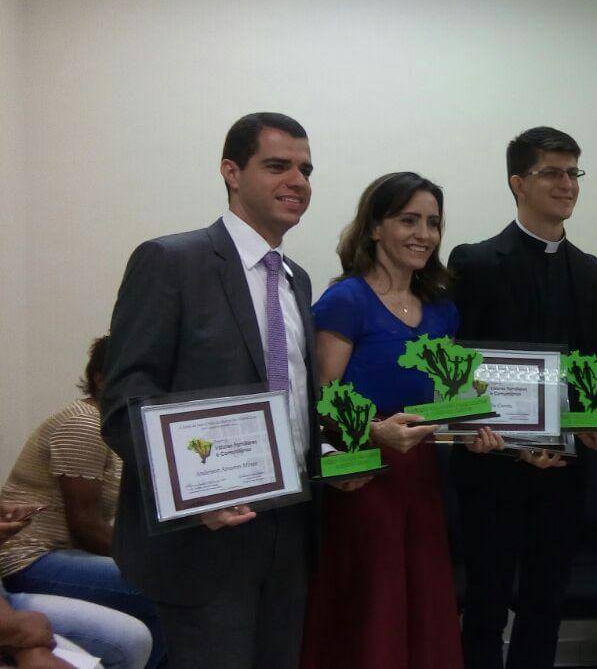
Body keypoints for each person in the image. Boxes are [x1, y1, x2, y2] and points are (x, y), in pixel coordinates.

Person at [100, 112, 350, 669]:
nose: (298, 181)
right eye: (277, 166)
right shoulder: (171, 261)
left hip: (292, 527)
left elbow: (295, 402)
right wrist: (193, 494)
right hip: (205, 538)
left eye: (306, 170)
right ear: (232, 172)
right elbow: (124, 401)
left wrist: (331, 453)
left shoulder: (296, 278)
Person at [300, 173, 502, 669]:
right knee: (375, 610)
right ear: (374, 227)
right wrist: (376, 431)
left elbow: (448, 399)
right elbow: (320, 399)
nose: (424, 234)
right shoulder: (345, 301)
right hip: (364, 481)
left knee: (424, 609)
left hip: (425, 480)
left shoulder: (441, 310)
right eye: (408, 220)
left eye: (433, 223)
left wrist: (472, 431)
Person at [447, 126, 597, 669]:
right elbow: (461, 367)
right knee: (486, 603)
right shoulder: (475, 261)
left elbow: (591, 364)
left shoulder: (589, 269)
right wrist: (507, 443)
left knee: (547, 602)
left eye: (574, 172)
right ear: (518, 183)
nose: (568, 184)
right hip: (492, 467)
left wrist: (592, 420)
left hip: (563, 472)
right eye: (552, 173)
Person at [0, 336, 164, 668]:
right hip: (29, 558)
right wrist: (144, 559)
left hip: (60, 552)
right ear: (100, 379)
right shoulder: (84, 424)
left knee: (164, 579)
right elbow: (85, 526)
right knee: (159, 585)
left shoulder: (113, 427)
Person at [0, 500, 152, 669]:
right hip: (25, 562)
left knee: (133, 639)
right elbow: (86, 526)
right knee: (150, 581)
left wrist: (26, 642)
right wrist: (22, 639)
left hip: (5, 602)